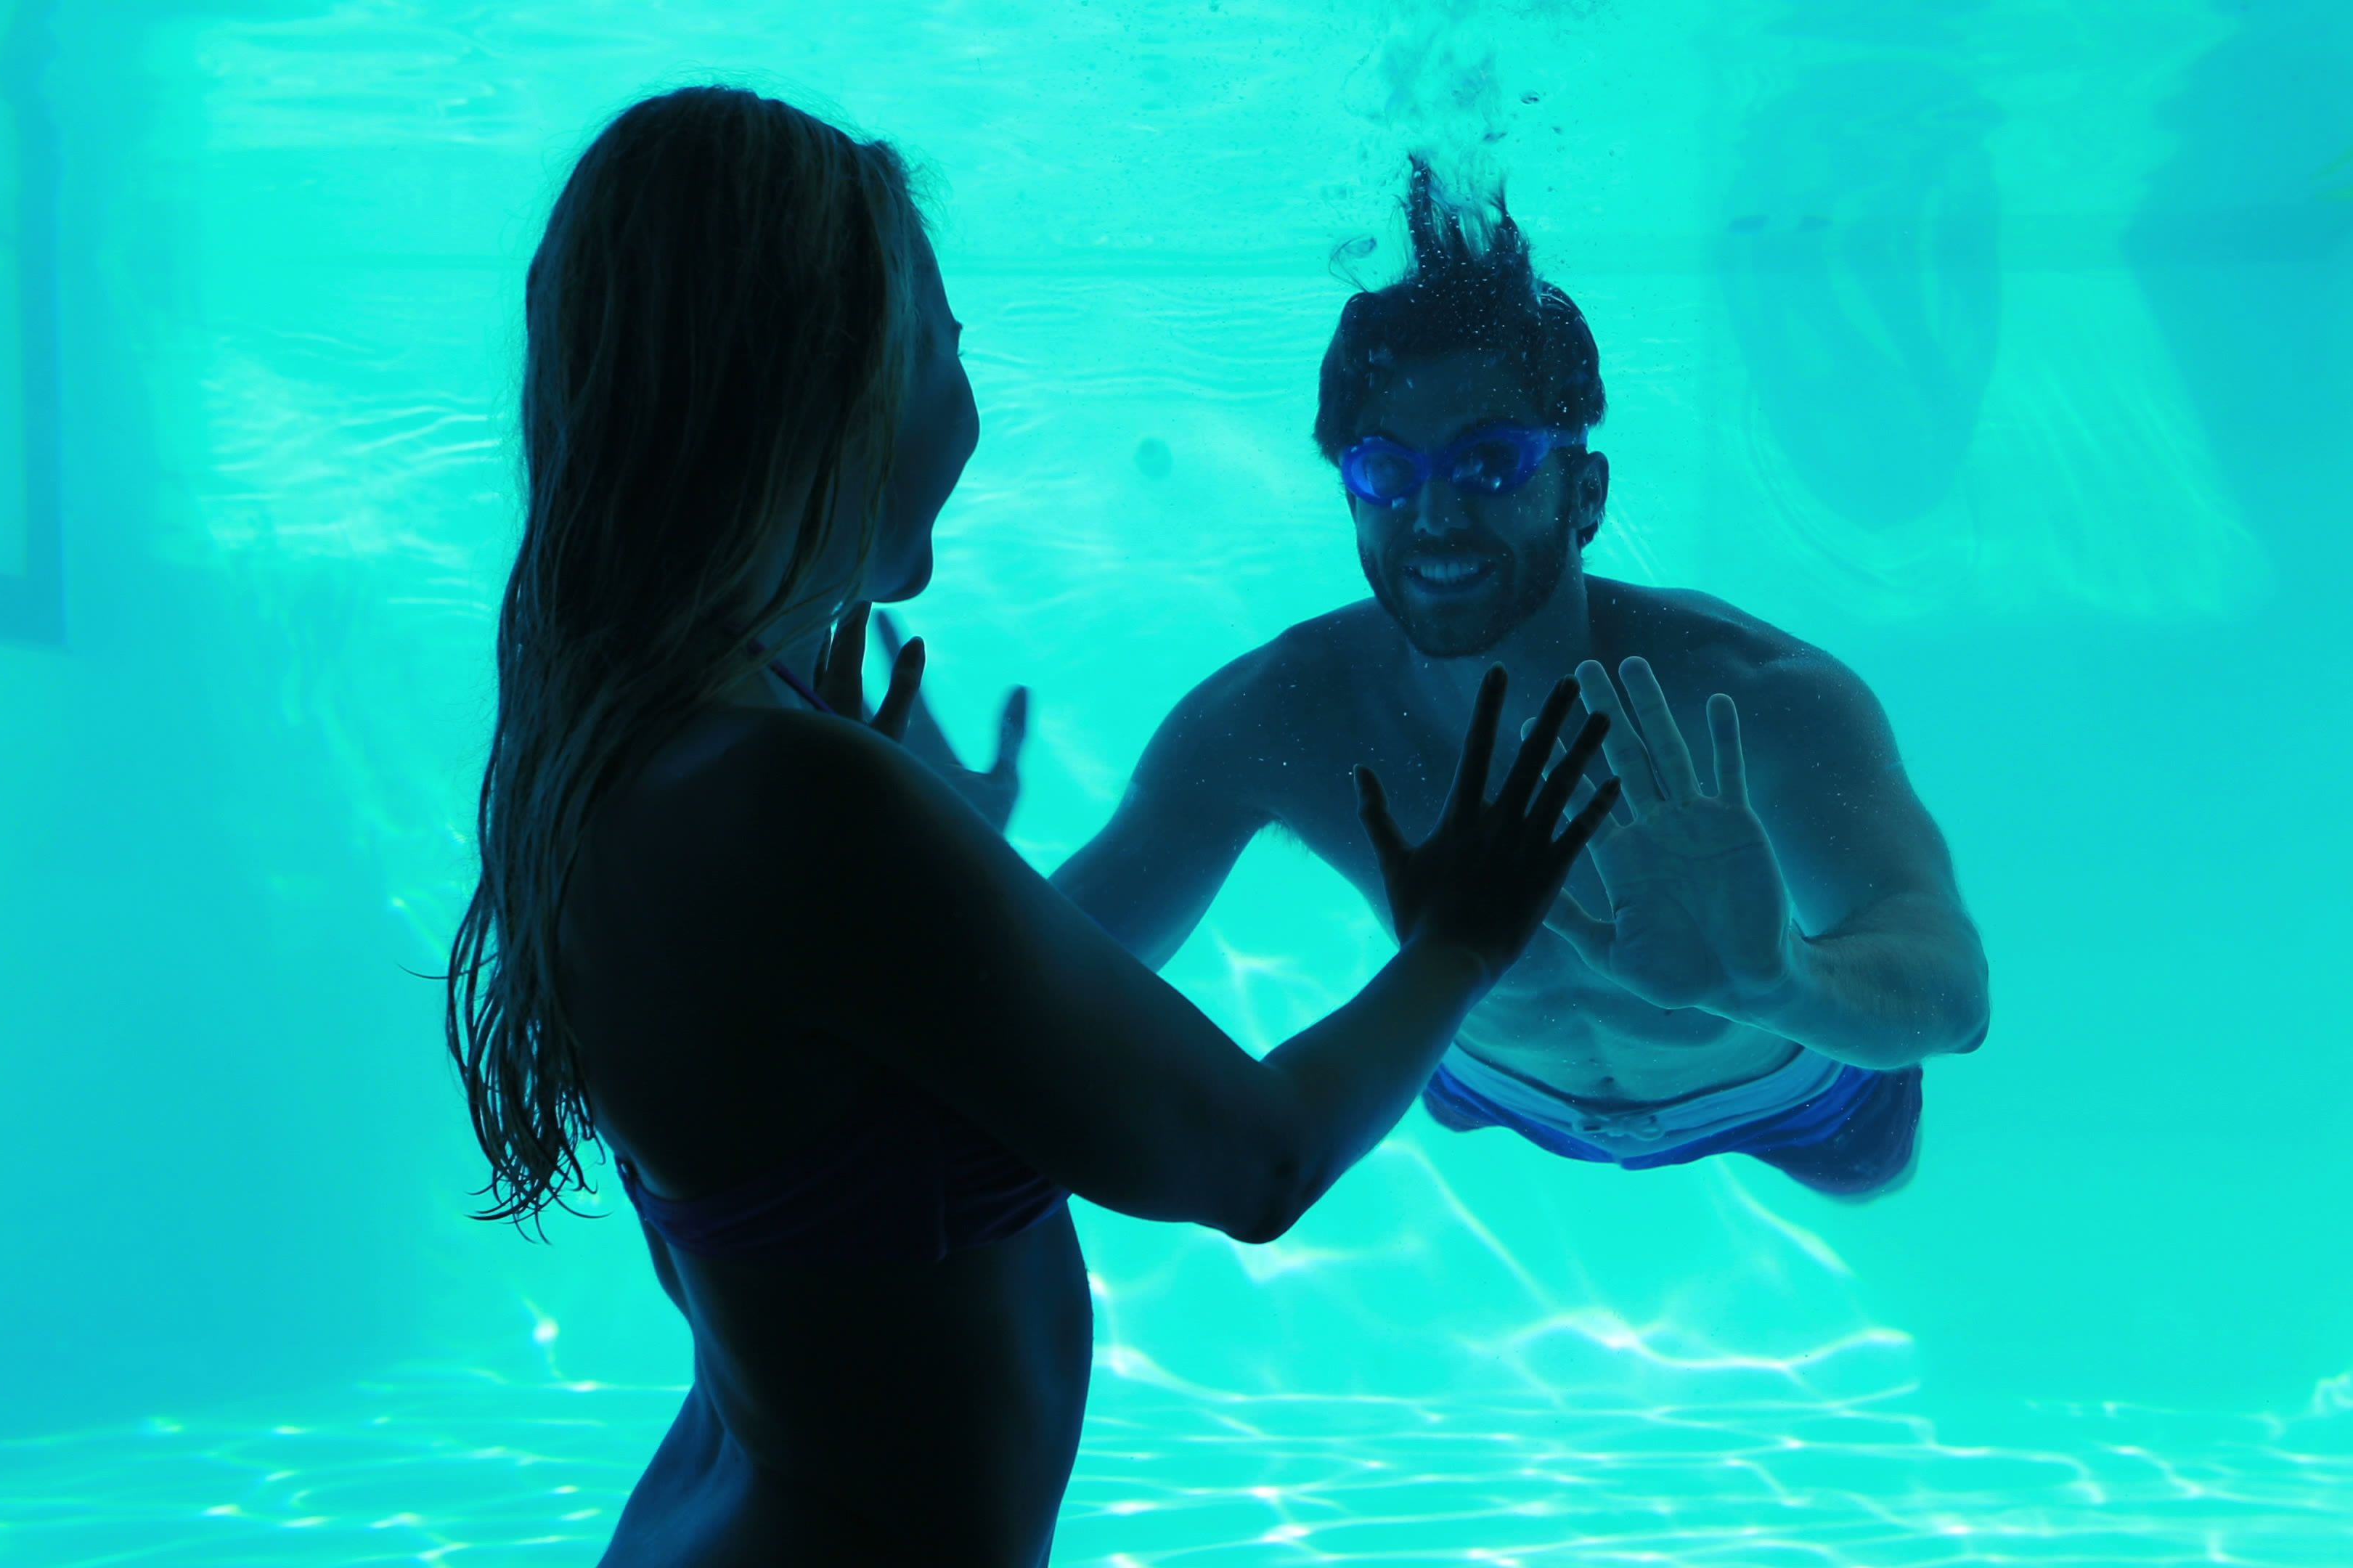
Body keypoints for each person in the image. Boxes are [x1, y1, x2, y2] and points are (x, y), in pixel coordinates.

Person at [440, 91, 1620, 1567]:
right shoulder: (794, 799)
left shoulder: (616, 749)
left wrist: (934, 853)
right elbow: (1253, 1160)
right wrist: (1459, 940)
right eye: (940, 346)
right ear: (816, 381)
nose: (966, 406)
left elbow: (792, 1206)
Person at [1051, 160, 1991, 1199]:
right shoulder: (1277, 720)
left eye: (1490, 462)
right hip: (1492, 1080)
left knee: (1872, 1182)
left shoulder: (1760, 696)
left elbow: (1953, 998)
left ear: (1584, 493)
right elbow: (1031, 981)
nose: (1436, 516)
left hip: (1773, 1084)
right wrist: (925, 842)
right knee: (1456, 1102)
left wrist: (1782, 980)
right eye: (1385, 472)